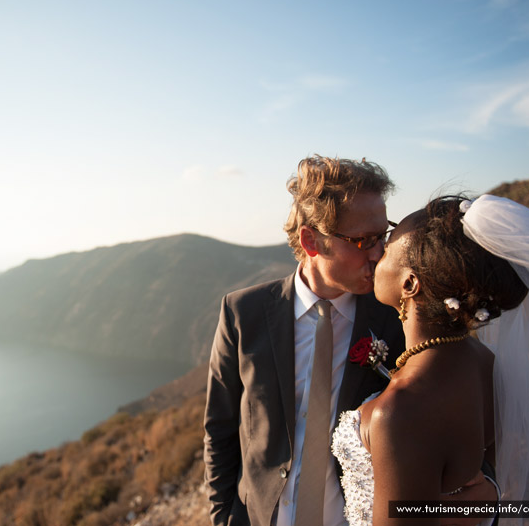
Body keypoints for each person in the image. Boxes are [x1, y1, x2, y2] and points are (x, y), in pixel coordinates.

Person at [203, 157, 495, 526]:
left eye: (382, 236)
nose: (379, 253)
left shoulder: (401, 317)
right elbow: (220, 428)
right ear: (312, 240)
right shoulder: (242, 312)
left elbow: (457, 412)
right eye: (363, 241)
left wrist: (491, 494)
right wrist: (222, 518)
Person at [331, 194, 529, 526]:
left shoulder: (399, 411)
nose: (378, 253)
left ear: (409, 284)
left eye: (389, 246)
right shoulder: (485, 361)